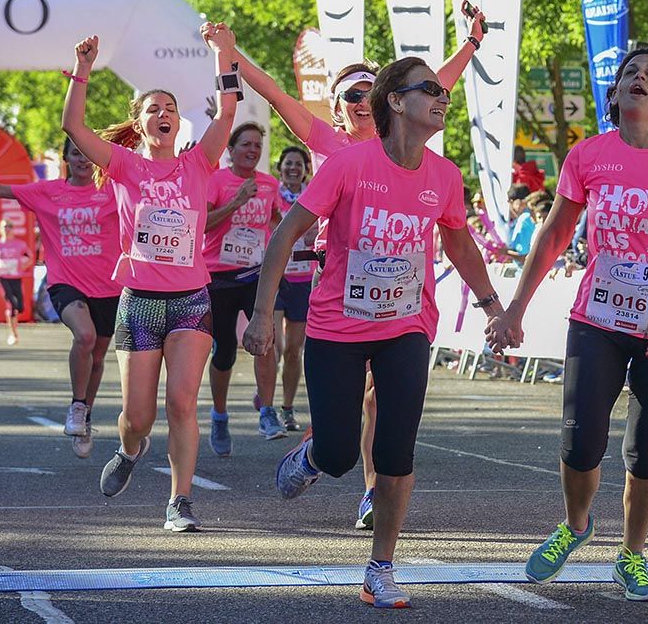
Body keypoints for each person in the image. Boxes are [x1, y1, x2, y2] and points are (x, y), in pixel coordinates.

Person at [243, 57, 505, 608]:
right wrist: (264, 315)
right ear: (395, 101)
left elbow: (459, 244)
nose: (442, 96)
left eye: (443, 90)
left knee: (396, 447)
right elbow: (286, 235)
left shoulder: (446, 175)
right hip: (338, 325)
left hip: (407, 325)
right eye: (429, 89)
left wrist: (492, 306)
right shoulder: (347, 165)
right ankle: (312, 459)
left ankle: (380, 568)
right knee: (339, 453)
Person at [486, 47, 648, 602]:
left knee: (645, 451)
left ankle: (631, 554)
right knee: (580, 441)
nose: (639, 79)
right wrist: (515, 308)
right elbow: (554, 235)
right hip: (598, 317)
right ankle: (577, 523)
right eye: (630, 72)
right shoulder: (588, 155)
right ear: (616, 93)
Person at [60, 23, 238, 532]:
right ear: (140, 125)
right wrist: (84, 70)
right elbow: (74, 125)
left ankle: (179, 501)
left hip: (191, 301)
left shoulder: (198, 163)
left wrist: (223, 54)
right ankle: (129, 447)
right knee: (139, 415)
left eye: (170, 109)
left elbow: (228, 111)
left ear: (179, 123)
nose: (164, 114)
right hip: (139, 302)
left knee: (182, 401)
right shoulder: (123, 166)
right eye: (153, 109)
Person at [0, 139, 122, 458]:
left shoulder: (113, 191)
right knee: (84, 336)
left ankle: (83, 414)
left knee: (97, 358)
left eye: (88, 155)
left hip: (109, 287)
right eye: (76, 154)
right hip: (66, 283)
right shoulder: (47, 191)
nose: (83, 160)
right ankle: (78, 405)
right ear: (67, 158)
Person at [203, 121, 287, 455]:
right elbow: (204, 224)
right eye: (246, 145)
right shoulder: (217, 181)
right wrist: (237, 202)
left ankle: (267, 411)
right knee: (223, 351)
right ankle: (219, 415)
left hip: (256, 273)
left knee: (264, 341)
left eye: (257, 146)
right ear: (231, 150)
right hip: (219, 277)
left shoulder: (269, 184)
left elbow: (280, 220)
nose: (252, 151)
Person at [271, 145, 316, 432]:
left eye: (298, 164)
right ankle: (266, 390)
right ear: (280, 168)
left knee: (294, 350)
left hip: (303, 279)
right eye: (288, 163)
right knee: (276, 345)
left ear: (305, 169)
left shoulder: (314, 196)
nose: (293, 168)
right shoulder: (270, 195)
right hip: (277, 277)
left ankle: (287, 407)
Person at [0, 218, 33, 345]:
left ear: (13, 229)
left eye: (9, 226)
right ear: (0, 229)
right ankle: (13, 334)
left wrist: (21, 266)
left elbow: (29, 258)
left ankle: (14, 329)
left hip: (16, 277)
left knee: (20, 306)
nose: (7, 229)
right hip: (2, 278)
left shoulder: (20, 244)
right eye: (4, 226)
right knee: (11, 304)